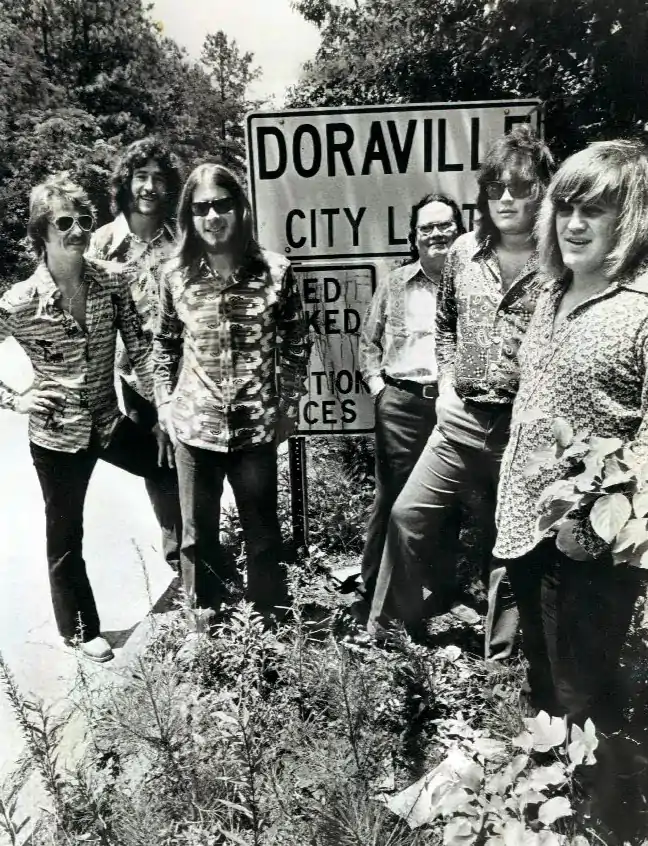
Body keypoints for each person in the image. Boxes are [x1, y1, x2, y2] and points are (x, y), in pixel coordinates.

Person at [368, 125, 555, 657]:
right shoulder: (464, 252)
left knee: (509, 538)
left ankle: (500, 663)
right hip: (463, 417)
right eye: (496, 187)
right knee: (407, 517)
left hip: (524, 428)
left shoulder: (561, 260)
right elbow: (446, 322)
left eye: (520, 188)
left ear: (542, 189)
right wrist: (447, 384)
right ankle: (395, 636)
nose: (506, 198)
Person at [495, 139, 648, 728]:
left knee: (583, 692)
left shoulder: (639, 309)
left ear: (629, 219)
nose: (574, 225)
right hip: (524, 526)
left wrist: (585, 527)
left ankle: (598, 812)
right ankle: (547, 807)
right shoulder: (550, 293)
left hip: (590, 545)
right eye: (565, 209)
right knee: (543, 681)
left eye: (595, 211)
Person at [0, 174, 173, 662]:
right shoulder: (19, 301)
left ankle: (197, 576)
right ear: (41, 232)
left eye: (84, 221)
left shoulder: (110, 279)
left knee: (174, 468)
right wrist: (14, 399)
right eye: (64, 222)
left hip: (107, 420)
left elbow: (140, 348)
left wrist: (161, 412)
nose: (76, 231)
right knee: (65, 534)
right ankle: (80, 630)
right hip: (56, 435)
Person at [152, 163, 310, 619]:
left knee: (262, 534)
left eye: (222, 205)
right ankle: (205, 626)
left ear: (240, 208)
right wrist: (164, 403)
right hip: (194, 430)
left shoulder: (276, 272)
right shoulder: (174, 276)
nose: (213, 216)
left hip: (255, 431)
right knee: (196, 537)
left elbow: (298, 341)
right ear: (189, 216)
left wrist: (288, 404)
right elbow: (162, 344)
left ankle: (269, 623)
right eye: (201, 208)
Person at [355, 194, 465, 621]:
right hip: (401, 405)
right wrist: (378, 387)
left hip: (453, 406)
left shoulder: (474, 283)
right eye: (427, 228)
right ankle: (375, 592)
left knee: (445, 501)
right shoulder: (395, 282)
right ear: (414, 237)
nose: (436, 234)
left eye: (445, 226)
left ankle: (438, 594)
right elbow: (368, 340)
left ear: (459, 231)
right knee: (392, 501)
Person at [87, 137, 183, 573]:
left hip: (190, 368)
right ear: (125, 183)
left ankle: (204, 549)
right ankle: (177, 553)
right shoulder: (103, 243)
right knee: (159, 463)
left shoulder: (183, 238)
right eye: (141, 177)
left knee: (195, 457)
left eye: (158, 179)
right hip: (137, 377)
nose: (149, 187)